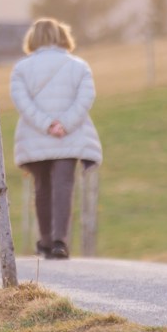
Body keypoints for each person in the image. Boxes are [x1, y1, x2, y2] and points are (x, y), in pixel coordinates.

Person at [9, 17, 101, 259]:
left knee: (41, 188)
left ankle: (46, 241)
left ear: (33, 38)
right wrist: (64, 125)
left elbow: (22, 102)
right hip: (68, 138)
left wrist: (46, 124)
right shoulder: (79, 66)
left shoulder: (21, 68)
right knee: (63, 186)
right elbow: (85, 99)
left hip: (35, 136)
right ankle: (60, 240)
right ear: (62, 36)